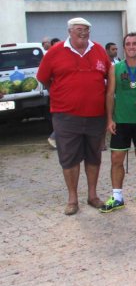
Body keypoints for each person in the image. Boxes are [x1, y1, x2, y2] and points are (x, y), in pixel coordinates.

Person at [36, 17, 110, 215]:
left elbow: (109, 77)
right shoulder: (55, 51)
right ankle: (72, 199)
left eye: (86, 30)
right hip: (65, 116)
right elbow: (43, 78)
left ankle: (92, 196)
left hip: (96, 115)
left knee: (94, 156)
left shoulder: (99, 50)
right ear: (69, 31)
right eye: (79, 29)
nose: (83, 33)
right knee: (69, 158)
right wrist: (61, 94)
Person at [100, 33, 136, 213]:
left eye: (135, 44)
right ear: (124, 47)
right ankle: (117, 196)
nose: (131, 47)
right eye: (128, 44)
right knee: (116, 159)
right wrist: (109, 119)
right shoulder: (115, 68)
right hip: (121, 120)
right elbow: (110, 94)